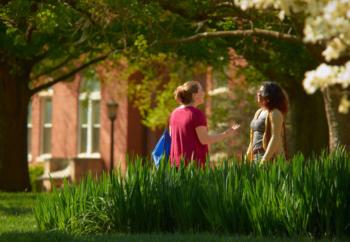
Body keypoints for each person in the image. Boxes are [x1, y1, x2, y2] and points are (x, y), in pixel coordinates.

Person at [169, 81, 240, 167]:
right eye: (201, 90)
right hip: (194, 166)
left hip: (176, 165)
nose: (203, 93)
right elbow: (204, 140)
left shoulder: (174, 113)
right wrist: (226, 134)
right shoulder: (196, 114)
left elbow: (171, 136)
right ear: (194, 95)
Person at [246, 81, 288, 164]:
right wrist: (247, 158)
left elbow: (275, 138)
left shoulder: (275, 113)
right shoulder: (258, 112)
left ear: (268, 95)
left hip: (271, 160)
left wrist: (264, 160)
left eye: (261, 92)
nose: (258, 94)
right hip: (256, 158)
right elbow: (253, 138)